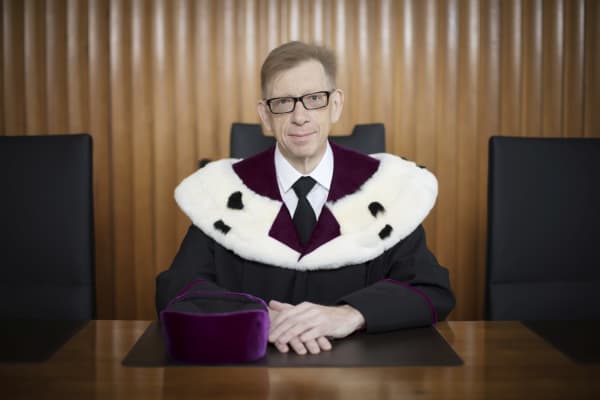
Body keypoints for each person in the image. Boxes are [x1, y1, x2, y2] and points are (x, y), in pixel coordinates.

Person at [156, 41, 455, 355]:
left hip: (360, 373)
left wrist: (350, 314)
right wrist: (259, 317)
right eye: (283, 102)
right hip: (252, 372)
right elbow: (178, 291)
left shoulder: (383, 189)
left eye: (314, 99)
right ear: (265, 115)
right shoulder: (225, 193)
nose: (300, 117)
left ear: (335, 104)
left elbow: (430, 290)